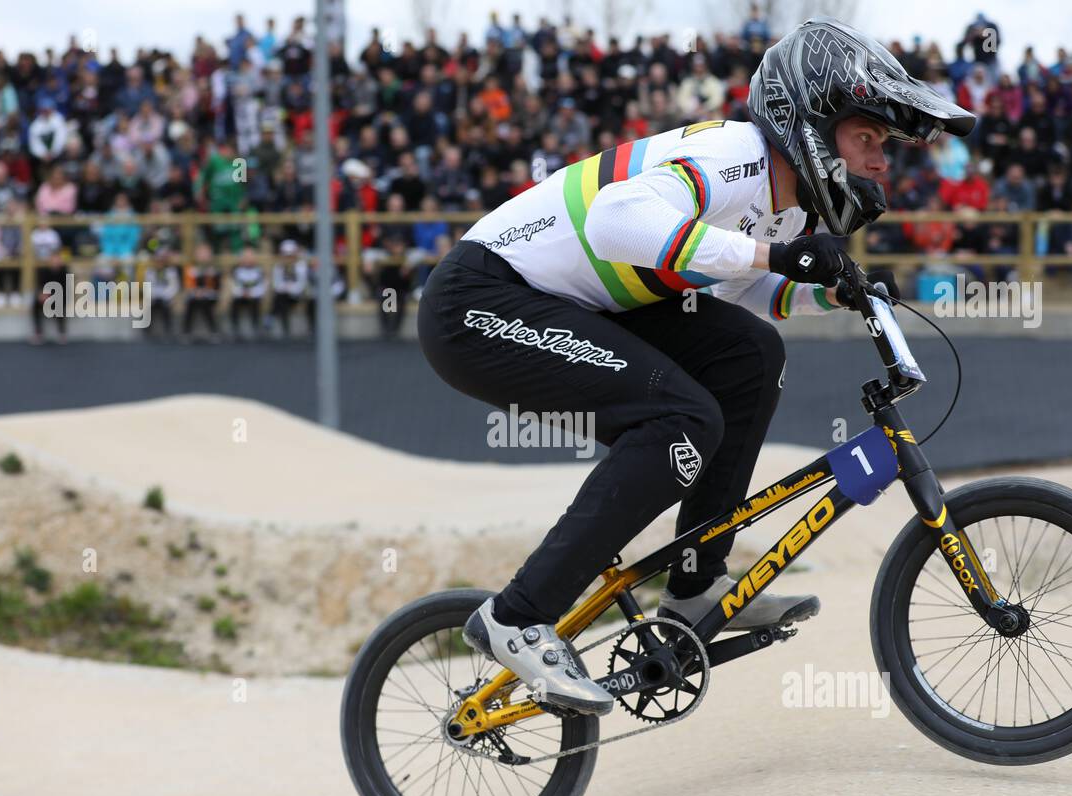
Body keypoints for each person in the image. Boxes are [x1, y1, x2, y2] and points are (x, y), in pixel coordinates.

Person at [416, 17, 974, 714]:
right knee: (682, 419)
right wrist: (774, 257)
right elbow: (613, 223)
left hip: (574, 304)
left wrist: (819, 293)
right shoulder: (733, 155)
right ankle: (518, 616)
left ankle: (696, 581)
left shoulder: (780, 207)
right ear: (808, 124)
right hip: (482, 300)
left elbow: (736, 284)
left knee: (750, 355)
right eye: (868, 139)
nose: (881, 162)